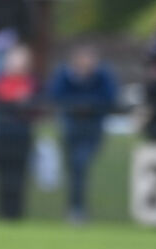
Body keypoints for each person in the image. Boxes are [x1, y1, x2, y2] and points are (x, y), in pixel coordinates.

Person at [48, 43, 118, 224]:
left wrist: (88, 106)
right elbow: (56, 95)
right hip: (71, 128)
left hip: (92, 129)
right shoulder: (65, 76)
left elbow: (110, 97)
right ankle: (75, 208)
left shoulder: (102, 76)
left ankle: (77, 209)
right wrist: (77, 106)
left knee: (80, 164)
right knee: (74, 169)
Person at [0, 44, 37, 220]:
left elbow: (33, 106)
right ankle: (2, 214)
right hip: (2, 135)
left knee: (19, 178)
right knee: (2, 177)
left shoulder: (32, 83)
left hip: (22, 136)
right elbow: (1, 102)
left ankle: (16, 215)